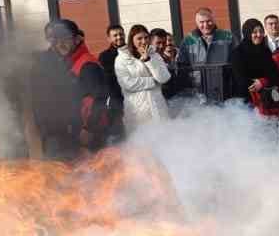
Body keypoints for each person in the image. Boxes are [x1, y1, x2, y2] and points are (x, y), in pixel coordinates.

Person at [27, 19, 109, 159]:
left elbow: (99, 97)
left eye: (65, 39)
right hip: (64, 133)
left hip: (84, 135)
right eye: (56, 40)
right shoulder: (64, 62)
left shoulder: (86, 64)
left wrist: (88, 129)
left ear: (77, 39)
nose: (60, 44)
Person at [114, 22, 172, 127]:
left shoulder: (154, 54)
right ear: (132, 40)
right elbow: (127, 84)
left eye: (146, 37)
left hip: (157, 107)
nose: (143, 41)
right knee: (141, 142)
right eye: (139, 38)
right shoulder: (121, 59)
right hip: (138, 111)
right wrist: (153, 81)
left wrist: (148, 60)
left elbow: (164, 78)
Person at [178, 7, 236, 103]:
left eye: (209, 21)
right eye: (201, 22)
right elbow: (182, 67)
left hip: (224, 90)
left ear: (214, 20)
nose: (205, 25)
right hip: (199, 93)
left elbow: (236, 63)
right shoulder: (188, 40)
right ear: (196, 23)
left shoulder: (228, 36)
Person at [231, 17, 279, 123]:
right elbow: (240, 79)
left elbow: (275, 75)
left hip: (268, 102)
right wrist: (255, 84)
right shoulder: (238, 53)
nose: (259, 35)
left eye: (261, 32)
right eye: (254, 32)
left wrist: (262, 82)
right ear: (247, 33)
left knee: (271, 136)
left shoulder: (265, 51)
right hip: (247, 104)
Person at [99, 24, 127, 141]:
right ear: (109, 38)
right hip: (117, 101)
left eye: (121, 34)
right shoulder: (105, 56)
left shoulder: (132, 51)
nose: (119, 37)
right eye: (115, 35)